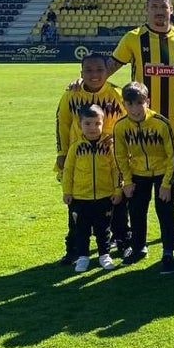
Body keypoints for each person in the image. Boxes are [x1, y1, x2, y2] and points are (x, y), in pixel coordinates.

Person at [108, 0, 174, 139]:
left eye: (164, 7)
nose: (159, 11)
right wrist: (83, 80)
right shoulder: (133, 38)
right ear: (147, 9)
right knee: (142, 158)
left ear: (171, 9)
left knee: (173, 159)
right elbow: (109, 67)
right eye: (154, 7)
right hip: (141, 113)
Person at [113, 82, 174, 272]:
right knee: (136, 211)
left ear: (147, 101)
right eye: (130, 104)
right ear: (124, 104)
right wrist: (127, 181)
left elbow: (173, 155)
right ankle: (138, 248)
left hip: (162, 172)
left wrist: (167, 184)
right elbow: (120, 155)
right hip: (137, 174)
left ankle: (168, 252)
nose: (135, 109)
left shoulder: (161, 123)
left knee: (165, 211)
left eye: (139, 103)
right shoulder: (120, 126)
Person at [61, 105, 122, 273]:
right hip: (80, 198)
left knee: (104, 229)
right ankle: (83, 257)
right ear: (80, 125)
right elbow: (68, 171)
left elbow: (116, 169)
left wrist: (117, 190)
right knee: (82, 230)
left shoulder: (109, 146)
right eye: (88, 124)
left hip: (104, 196)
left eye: (97, 123)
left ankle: (104, 255)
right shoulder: (76, 147)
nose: (93, 128)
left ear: (103, 123)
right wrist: (67, 191)